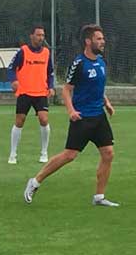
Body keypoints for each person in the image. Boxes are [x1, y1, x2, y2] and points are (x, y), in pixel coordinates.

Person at [23, 24, 119, 208]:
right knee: (69, 155)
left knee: (108, 153)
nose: (102, 42)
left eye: (103, 38)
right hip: (82, 117)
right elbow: (66, 90)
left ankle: (99, 197)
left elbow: (98, 87)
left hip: (99, 116)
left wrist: (106, 102)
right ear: (88, 41)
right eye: (99, 39)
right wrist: (71, 111)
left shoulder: (101, 62)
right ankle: (35, 182)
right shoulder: (79, 63)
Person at [7, 25, 55, 164]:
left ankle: (44, 152)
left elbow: (50, 72)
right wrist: (14, 80)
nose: (41, 38)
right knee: (19, 121)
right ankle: (13, 154)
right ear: (31, 36)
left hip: (40, 92)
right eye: (38, 35)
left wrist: (50, 87)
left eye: (43, 35)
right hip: (25, 92)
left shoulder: (46, 53)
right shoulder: (23, 51)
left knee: (44, 119)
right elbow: (11, 68)